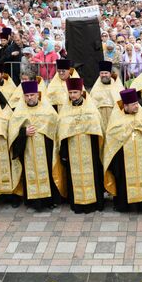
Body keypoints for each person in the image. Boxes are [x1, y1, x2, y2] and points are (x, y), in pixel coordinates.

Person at [8, 80, 63, 211]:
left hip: (46, 149)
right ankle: (33, 201)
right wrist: (23, 132)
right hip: (27, 150)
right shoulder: (18, 113)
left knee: (48, 171)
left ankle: (50, 200)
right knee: (30, 173)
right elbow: (13, 134)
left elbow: (57, 129)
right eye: (27, 95)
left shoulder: (48, 111)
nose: (30, 98)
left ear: (38, 95)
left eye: (32, 95)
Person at [56, 78, 105, 214]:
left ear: (81, 92)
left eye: (75, 92)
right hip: (72, 151)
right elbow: (61, 133)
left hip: (91, 150)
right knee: (74, 176)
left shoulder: (91, 109)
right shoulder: (65, 112)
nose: (73, 95)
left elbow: (98, 128)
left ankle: (95, 203)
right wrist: (64, 153)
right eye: (70, 92)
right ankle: (77, 204)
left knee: (93, 175)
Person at [103, 88, 142, 213]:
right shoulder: (116, 120)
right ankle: (124, 205)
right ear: (125, 106)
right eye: (133, 105)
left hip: (141, 157)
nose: (137, 106)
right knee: (123, 181)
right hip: (123, 159)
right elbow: (111, 138)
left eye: (137, 103)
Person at [89, 61, 124, 132]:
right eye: (102, 73)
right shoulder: (95, 88)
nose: (104, 75)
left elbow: (121, 103)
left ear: (110, 74)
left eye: (106, 73)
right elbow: (91, 105)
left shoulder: (117, 86)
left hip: (114, 117)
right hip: (100, 119)